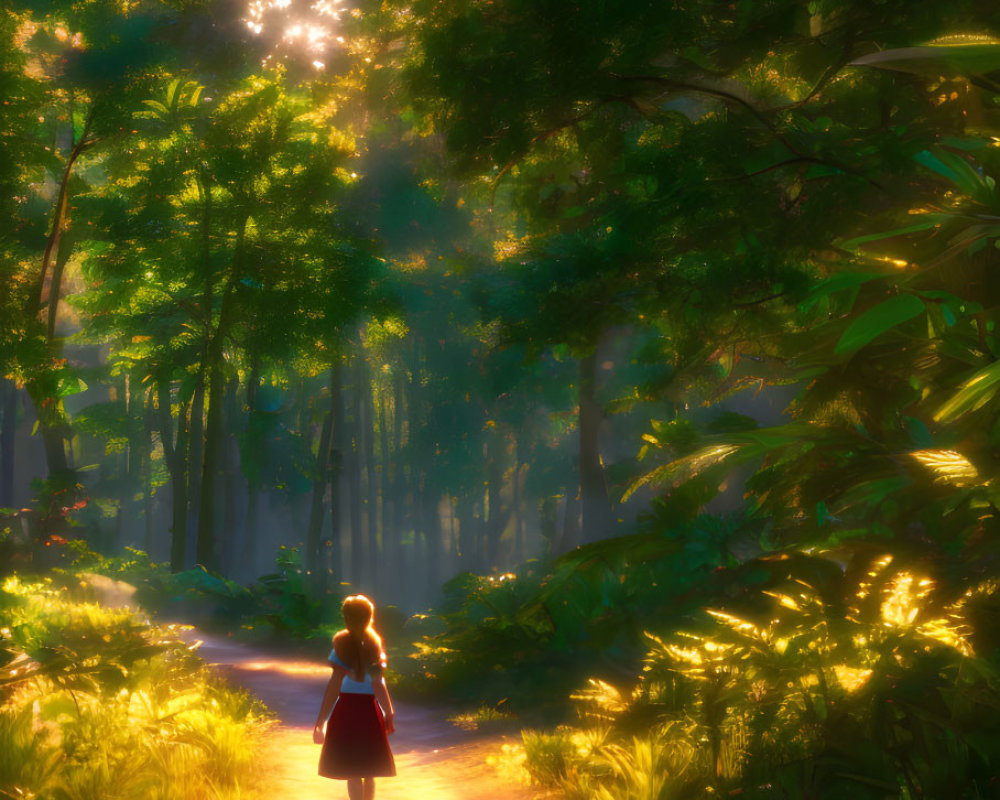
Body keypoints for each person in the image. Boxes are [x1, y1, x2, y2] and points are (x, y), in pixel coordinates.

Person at [314, 594, 396, 800]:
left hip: (346, 710)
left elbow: (334, 686)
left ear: (346, 618)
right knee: (369, 769)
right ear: (369, 617)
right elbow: (378, 683)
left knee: (352, 770)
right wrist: (388, 712)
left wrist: (321, 720)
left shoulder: (341, 645)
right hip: (369, 710)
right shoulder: (374, 645)